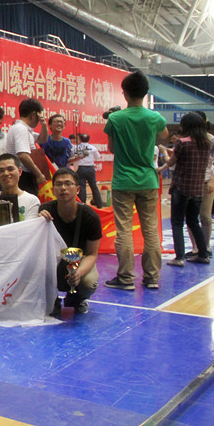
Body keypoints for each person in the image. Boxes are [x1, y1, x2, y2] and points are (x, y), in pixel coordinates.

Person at [103, 70, 168, 290]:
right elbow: (163, 136)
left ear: (125, 93)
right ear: (145, 92)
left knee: (124, 230)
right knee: (150, 230)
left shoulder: (115, 118)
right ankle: (152, 277)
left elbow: (112, 148)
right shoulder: (154, 118)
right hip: (148, 180)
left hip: (123, 180)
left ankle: (126, 278)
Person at [39, 168, 101, 316]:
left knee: (88, 282)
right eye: (59, 184)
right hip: (52, 261)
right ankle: (51, 299)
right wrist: (38, 221)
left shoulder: (90, 217)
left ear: (78, 189)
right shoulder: (44, 211)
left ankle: (78, 298)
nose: (63, 188)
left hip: (80, 261)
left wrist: (78, 273)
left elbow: (92, 254)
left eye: (68, 184)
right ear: (53, 190)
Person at [158, 112, 212, 266]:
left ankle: (179, 257)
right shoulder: (207, 144)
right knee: (194, 222)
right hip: (197, 189)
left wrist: (163, 156)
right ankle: (203, 254)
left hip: (181, 188)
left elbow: (171, 162)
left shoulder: (182, 143)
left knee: (177, 223)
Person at [0, 154, 42, 229]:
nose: (6, 173)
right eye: (1, 171)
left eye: (10, 169)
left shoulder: (32, 201)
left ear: (20, 171)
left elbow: (29, 231)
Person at [184, 111, 214, 261]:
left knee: (205, 216)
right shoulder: (187, 140)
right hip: (190, 182)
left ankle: (206, 246)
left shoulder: (211, 140)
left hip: (206, 182)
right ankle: (195, 247)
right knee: (190, 217)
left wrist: (212, 180)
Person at [5, 98, 49, 196]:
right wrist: (39, 174)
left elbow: (42, 139)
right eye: (39, 115)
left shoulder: (25, 129)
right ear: (34, 115)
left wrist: (44, 125)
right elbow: (23, 155)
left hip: (25, 175)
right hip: (23, 177)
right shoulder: (20, 129)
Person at [72, 134, 103, 207]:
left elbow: (73, 156)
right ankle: (99, 204)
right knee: (94, 186)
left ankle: (83, 204)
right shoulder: (92, 147)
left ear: (80, 139)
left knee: (82, 186)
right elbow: (98, 157)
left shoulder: (77, 147)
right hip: (91, 168)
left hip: (81, 168)